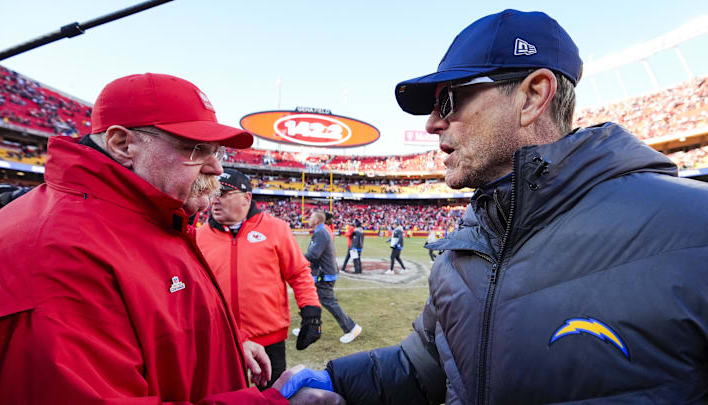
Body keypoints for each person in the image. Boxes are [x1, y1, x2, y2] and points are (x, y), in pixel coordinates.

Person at [279, 9, 708, 404]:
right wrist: (336, 382)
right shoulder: (468, 244)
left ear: (533, 96)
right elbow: (426, 368)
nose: (431, 124)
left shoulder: (695, 229)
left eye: (449, 99)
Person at [0, 73, 293, 403]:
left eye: (216, 151)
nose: (217, 169)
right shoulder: (59, 252)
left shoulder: (154, 216)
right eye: (196, 149)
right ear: (122, 144)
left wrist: (229, 341)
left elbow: (164, 318)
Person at [197, 168, 322, 389]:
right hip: (220, 338)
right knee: (226, 398)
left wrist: (311, 312)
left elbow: (299, 273)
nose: (215, 200)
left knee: (273, 396)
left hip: (269, 337)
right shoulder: (199, 236)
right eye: (213, 193)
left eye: (223, 194)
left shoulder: (276, 229)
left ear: (247, 198)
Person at [304, 210, 362, 344]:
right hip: (322, 273)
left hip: (325, 274)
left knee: (328, 301)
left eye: (311, 217)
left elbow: (313, 255)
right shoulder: (321, 231)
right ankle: (310, 329)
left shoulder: (321, 232)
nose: (308, 219)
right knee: (312, 300)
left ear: (317, 220)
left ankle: (351, 328)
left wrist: (296, 257)